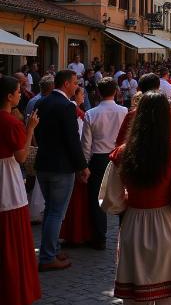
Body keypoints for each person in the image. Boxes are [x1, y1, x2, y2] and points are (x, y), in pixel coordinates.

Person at [100, 92, 171, 305]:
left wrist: (131, 200)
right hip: (166, 224)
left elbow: (110, 201)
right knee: (170, 302)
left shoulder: (122, 153)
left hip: (133, 225)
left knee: (137, 302)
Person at [35, 69, 89, 271]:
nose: (76, 86)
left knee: (51, 210)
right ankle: (48, 256)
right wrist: (82, 166)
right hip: (61, 166)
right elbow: (72, 140)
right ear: (66, 84)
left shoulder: (42, 102)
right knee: (56, 212)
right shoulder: (66, 106)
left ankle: (53, 248)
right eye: (75, 82)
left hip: (44, 163)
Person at [0, 76, 41, 305]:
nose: (20, 93)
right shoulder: (11, 122)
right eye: (18, 90)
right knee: (12, 238)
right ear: (9, 96)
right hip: (8, 181)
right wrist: (30, 129)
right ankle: (14, 294)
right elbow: (22, 157)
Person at [81, 77, 127, 249]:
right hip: (119, 156)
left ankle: (100, 237)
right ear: (115, 91)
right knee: (123, 195)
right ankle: (124, 235)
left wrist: (85, 166)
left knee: (96, 199)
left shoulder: (91, 113)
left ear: (98, 92)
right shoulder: (124, 111)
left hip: (98, 159)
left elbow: (86, 143)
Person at [115, 73, 171, 154]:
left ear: (140, 89)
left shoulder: (132, 115)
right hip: (167, 161)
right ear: (158, 88)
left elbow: (120, 144)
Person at [60, 86, 92, 247]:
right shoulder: (75, 111)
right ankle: (76, 233)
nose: (84, 96)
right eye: (82, 93)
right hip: (79, 161)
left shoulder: (80, 111)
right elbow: (79, 138)